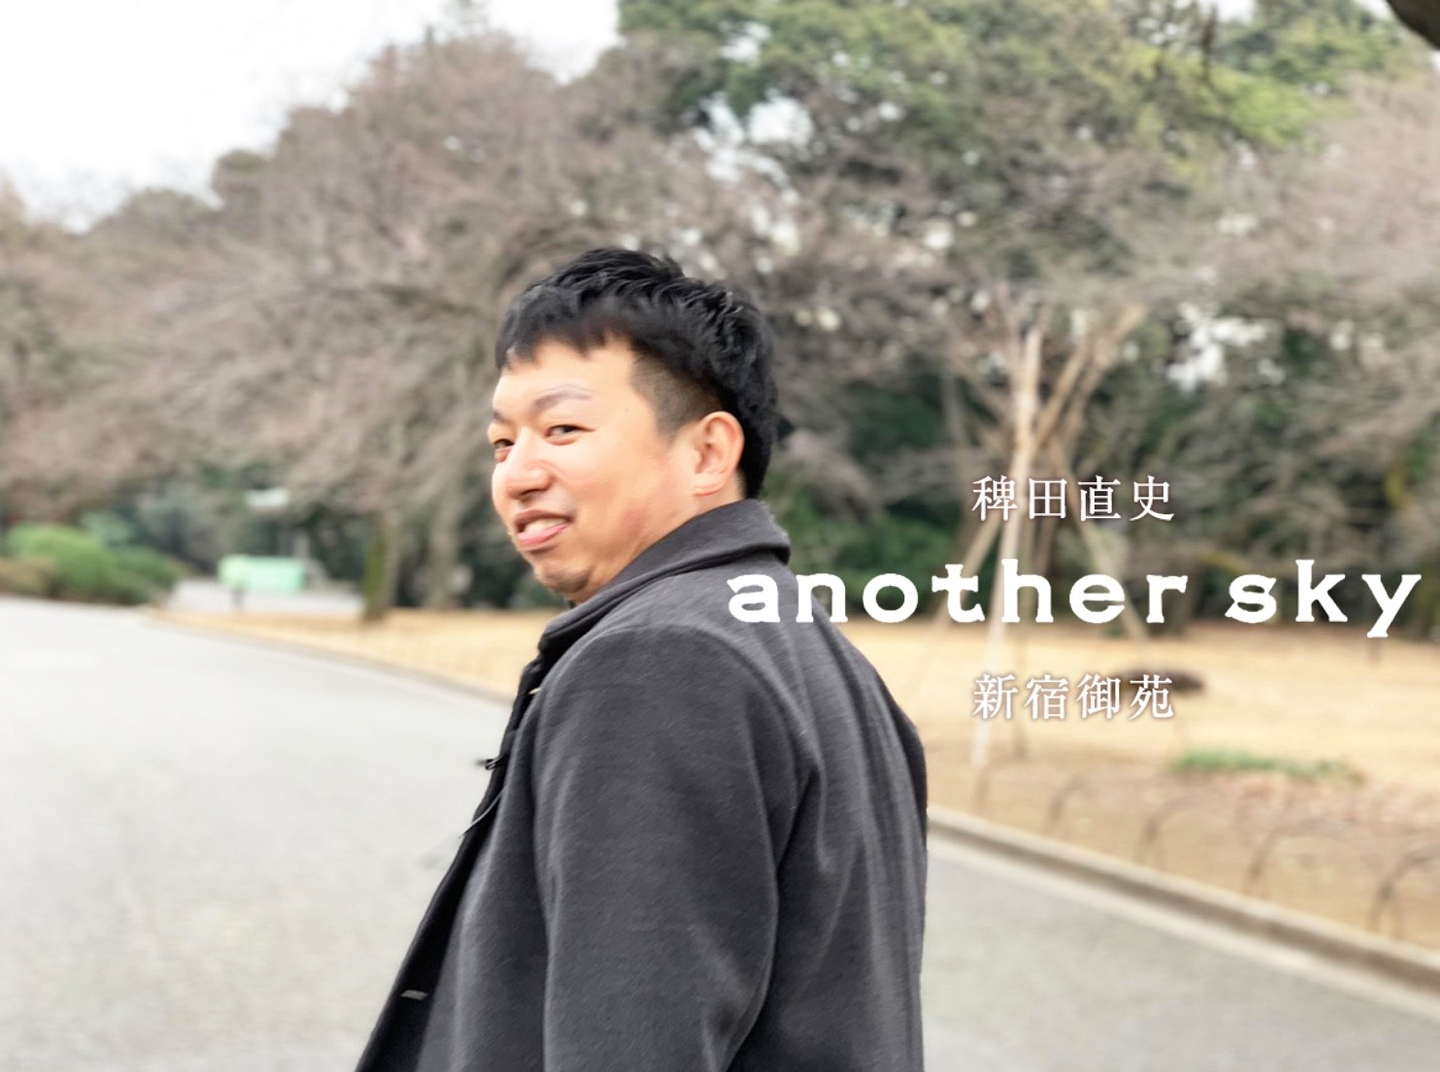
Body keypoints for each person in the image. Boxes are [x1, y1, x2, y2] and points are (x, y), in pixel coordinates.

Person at [354, 248, 929, 1071]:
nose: (517, 476)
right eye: (502, 443)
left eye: (563, 430)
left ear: (706, 454)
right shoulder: (814, 653)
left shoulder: (659, 661)